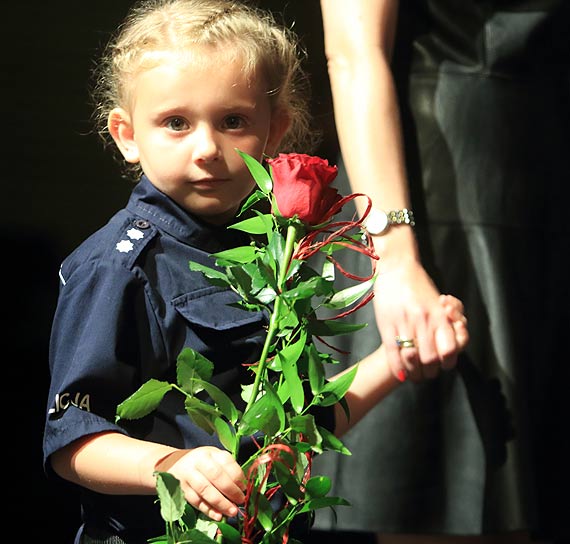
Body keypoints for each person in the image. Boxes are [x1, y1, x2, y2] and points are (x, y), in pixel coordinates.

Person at [42, 1, 469, 543]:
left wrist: (398, 356)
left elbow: (298, 426)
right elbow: (72, 444)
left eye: (233, 121)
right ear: (127, 134)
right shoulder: (117, 267)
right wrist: (171, 466)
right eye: (175, 122)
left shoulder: (282, 253)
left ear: (274, 132)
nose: (207, 149)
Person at [313, 0, 569, 543]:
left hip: (545, 187)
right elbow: (355, 53)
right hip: (441, 199)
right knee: (443, 503)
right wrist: (395, 256)